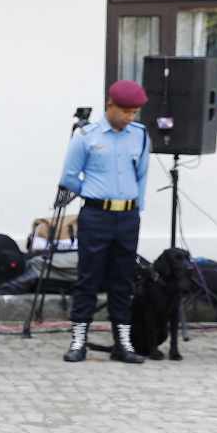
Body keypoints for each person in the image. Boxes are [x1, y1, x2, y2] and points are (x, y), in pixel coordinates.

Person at [58, 80, 151, 365]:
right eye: (126, 112)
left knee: (123, 280)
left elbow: (142, 175)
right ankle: (78, 339)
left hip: (127, 216)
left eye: (135, 113)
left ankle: (122, 341)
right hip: (97, 214)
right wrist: (92, 190)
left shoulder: (140, 135)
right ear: (110, 105)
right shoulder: (86, 136)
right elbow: (69, 177)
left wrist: (137, 208)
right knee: (88, 277)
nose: (130, 118)